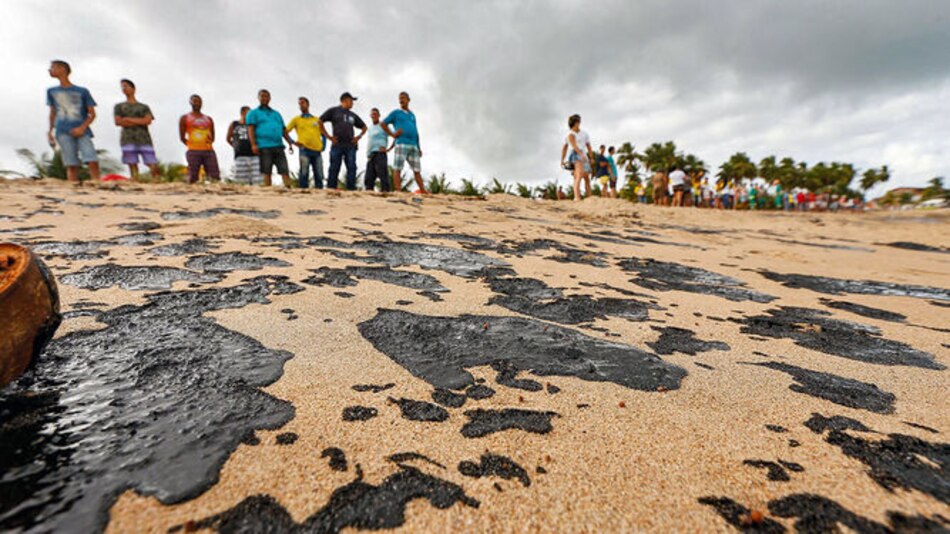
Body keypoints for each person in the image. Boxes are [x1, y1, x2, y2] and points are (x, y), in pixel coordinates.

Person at [46, 60, 100, 185]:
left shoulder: (82, 91)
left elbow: (92, 113)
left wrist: (82, 128)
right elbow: (53, 112)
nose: (50, 70)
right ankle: (72, 186)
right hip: (62, 130)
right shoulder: (51, 91)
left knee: (91, 157)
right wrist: (50, 131)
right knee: (70, 162)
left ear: (63, 69)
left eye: (53, 67)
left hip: (82, 130)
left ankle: (97, 182)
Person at [113, 79, 159, 181]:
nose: (124, 88)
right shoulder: (119, 106)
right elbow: (118, 122)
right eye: (122, 87)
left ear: (133, 88)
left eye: (126, 86)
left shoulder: (143, 107)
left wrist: (128, 119)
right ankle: (135, 180)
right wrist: (139, 121)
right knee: (132, 162)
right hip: (127, 138)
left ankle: (156, 181)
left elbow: (148, 121)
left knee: (151, 161)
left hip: (144, 138)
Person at [382, 92, 427, 194]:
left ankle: (423, 190)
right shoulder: (396, 113)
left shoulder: (412, 115)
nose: (401, 100)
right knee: (397, 168)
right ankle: (398, 191)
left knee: (417, 170)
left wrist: (419, 147)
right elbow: (383, 123)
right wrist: (392, 134)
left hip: (413, 145)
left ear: (408, 100)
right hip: (401, 143)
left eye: (403, 98)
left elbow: (416, 131)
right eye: (400, 98)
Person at [246, 89, 293, 187]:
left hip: (278, 145)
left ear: (270, 98)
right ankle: (268, 190)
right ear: (258, 98)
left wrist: (290, 142)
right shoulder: (253, 113)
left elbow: (283, 129)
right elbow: (250, 129)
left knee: (284, 169)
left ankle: (289, 188)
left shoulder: (276, 114)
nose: (264, 98)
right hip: (264, 146)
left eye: (266, 96)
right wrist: (253, 144)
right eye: (262, 96)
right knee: (267, 171)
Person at [320, 92, 367, 190]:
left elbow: (364, 127)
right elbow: (320, 121)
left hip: (350, 145)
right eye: (351, 101)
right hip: (337, 144)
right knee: (334, 167)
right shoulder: (334, 111)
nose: (352, 103)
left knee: (352, 167)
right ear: (345, 100)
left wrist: (358, 137)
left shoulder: (352, 115)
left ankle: (351, 189)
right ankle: (331, 188)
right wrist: (328, 136)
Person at [285, 97, 325, 189]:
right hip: (304, 150)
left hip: (317, 150)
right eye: (299, 104)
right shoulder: (296, 119)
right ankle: (303, 191)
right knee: (304, 172)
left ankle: (319, 191)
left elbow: (323, 133)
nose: (301, 105)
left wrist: (324, 145)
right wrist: (292, 142)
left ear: (308, 104)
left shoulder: (316, 119)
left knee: (319, 173)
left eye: (303, 103)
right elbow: (285, 131)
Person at [178, 94, 220, 184]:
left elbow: (212, 136)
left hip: (208, 150)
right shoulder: (185, 118)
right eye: (195, 101)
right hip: (193, 150)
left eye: (199, 101)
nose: (197, 103)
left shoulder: (208, 119)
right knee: (193, 176)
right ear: (190, 102)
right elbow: (182, 137)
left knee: (214, 175)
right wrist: (192, 144)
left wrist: (207, 143)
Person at [560, 114, 592, 201]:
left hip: (584, 155)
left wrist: (591, 157)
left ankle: (589, 198)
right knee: (579, 175)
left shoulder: (584, 134)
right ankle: (577, 197)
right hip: (575, 154)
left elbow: (588, 145)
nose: (579, 123)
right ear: (575, 123)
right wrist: (562, 160)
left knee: (587, 177)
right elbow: (567, 147)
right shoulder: (570, 134)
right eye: (578, 121)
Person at [225, 106, 260, 185]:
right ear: (242, 113)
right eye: (248, 113)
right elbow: (228, 138)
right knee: (241, 182)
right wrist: (236, 146)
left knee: (257, 180)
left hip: (254, 155)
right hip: (240, 156)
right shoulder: (234, 124)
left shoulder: (253, 125)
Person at [365, 108, 392, 192]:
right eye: (372, 114)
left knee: (383, 175)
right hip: (370, 155)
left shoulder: (383, 126)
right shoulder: (370, 128)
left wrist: (388, 149)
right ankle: (369, 193)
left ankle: (385, 192)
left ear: (379, 115)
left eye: (375, 114)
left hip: (380, 153)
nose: (374, 116)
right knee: (369, 177)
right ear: (370, 116)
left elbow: (395, 136)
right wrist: (368, 154)